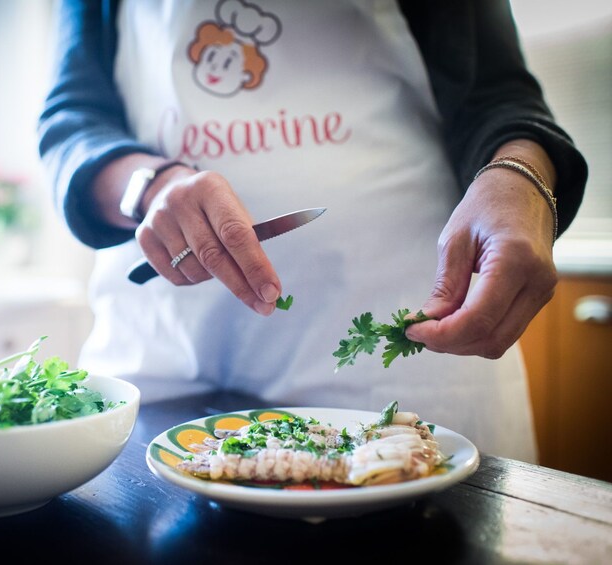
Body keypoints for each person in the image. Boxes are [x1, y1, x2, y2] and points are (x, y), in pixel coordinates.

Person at [38, 0, 587, 462]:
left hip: (405, 377)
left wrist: (520, 179)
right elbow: (71, 123)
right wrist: (150, 185)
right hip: (171, 371)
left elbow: (499, 94)